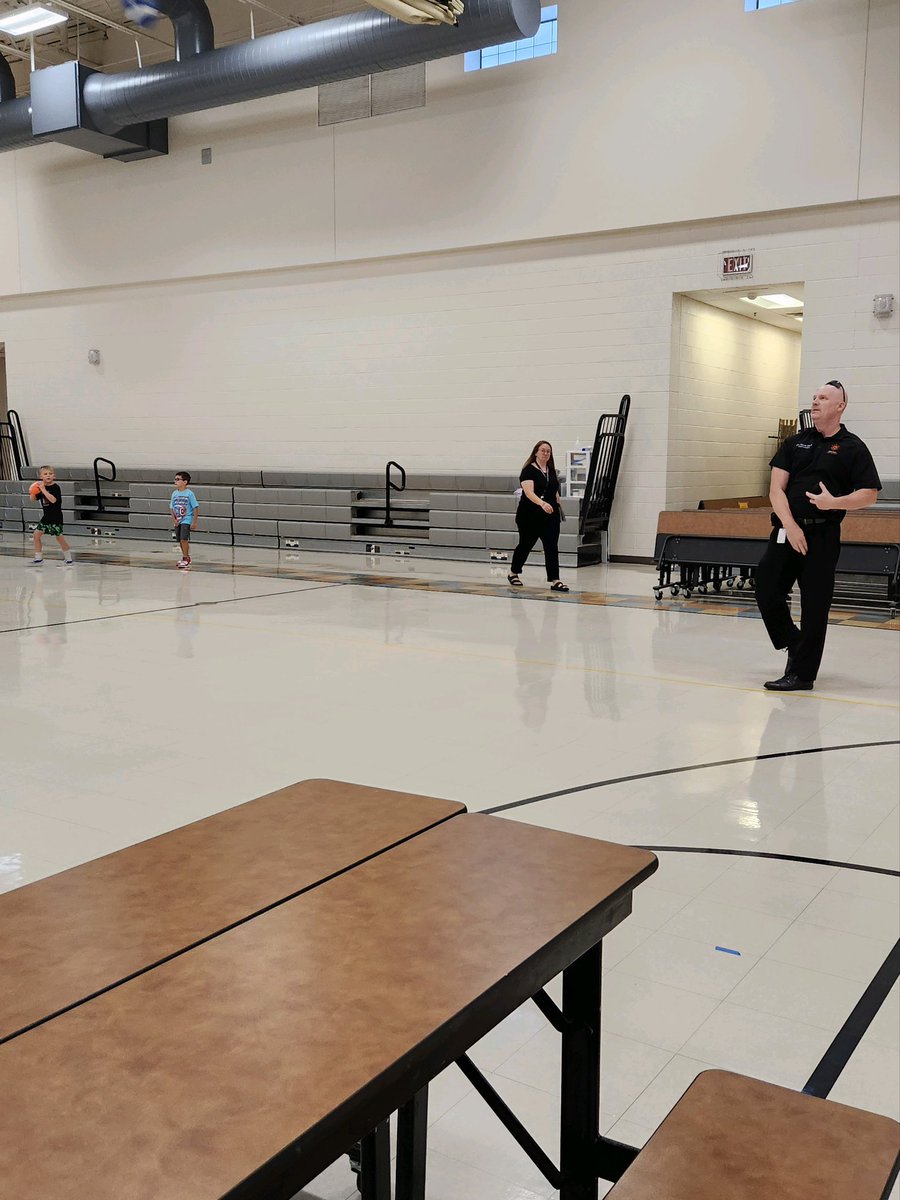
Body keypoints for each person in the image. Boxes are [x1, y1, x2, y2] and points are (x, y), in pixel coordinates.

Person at [755, 380, 881, 691]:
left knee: (814, 606)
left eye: (823, 398)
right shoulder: (795, 443)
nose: (815, 402)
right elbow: (775, 489)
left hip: (823, 537)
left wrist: (835, 503)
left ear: (840, 406)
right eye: (814, 397)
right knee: (766, 590)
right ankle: (793, 642)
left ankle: (802, 674)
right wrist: (791, 525)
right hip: (787, 531)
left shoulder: (852, 446)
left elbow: (870, 494)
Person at [508, 440, 569, 592]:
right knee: (526, 544)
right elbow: (529, 493)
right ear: (536, 452)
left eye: (548, 451)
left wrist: (557, 504)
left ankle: (555, 580)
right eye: (543, 450)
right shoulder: (528, 470)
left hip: (550, 515)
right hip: (530, 515)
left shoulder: (552, 470)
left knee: (551, 546)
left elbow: (554, 489)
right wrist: (542, 504)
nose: (545, 453)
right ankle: (513, 572)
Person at [30, 466, 74, 565]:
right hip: (46, 517)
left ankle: (68, 558)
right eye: (45, 474)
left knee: (59, 538)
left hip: (56, 516)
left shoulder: (55, 487)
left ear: (54, 476)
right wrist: (32, 491)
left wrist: (44, 490)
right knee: (36, 535)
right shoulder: (40, 488)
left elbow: (53, 500)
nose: (48, 475)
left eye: (50, 474)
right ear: (41, 476)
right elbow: (33, 499)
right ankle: (38, 557)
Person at [170, 471, 199, 569]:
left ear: (185, 482)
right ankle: (184, 557)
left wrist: (194, 521)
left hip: (186, 520)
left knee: (184, 539)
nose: (175, 481)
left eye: (178, 479)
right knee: (179, 540)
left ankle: (186, 558)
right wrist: (174, 519)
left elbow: (195, 507)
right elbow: (171, 507)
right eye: (175, 479)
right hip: (177, 520)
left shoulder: (190, 493)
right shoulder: (174, 493)